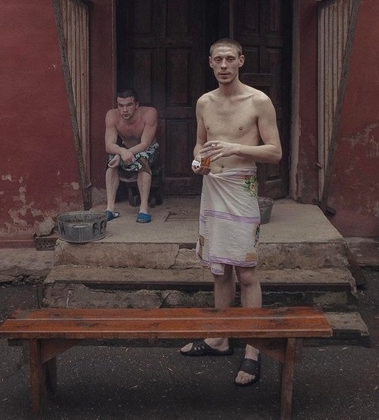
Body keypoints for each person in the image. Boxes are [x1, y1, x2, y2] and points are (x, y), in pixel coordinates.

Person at [180, 38, 282, 387]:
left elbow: (275, 152)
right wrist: (198, 161)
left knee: (247, 273)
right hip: (212, 189)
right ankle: (219, 338)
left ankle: (253, 348)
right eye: (218, 60)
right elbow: (200, 142)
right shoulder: (204, 102)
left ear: (241, 61)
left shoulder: (258, 101)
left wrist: (234, 147)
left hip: (241, 189)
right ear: (210, 62)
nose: (224, 66)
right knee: (219, 269)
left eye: (229, 59)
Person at [105, 89, 159, 223]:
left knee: (143, 161)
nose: (125, 110)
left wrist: (123, 153)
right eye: (121, 105)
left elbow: (145, 144)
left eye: (129, 105)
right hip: (125, 149)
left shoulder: (149, 113)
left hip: (148, 148)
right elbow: (109, 145)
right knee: (111, 162)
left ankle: (143, 209)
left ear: (136, 105)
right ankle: (110, 208)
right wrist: (121, 152)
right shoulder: (111, 115)